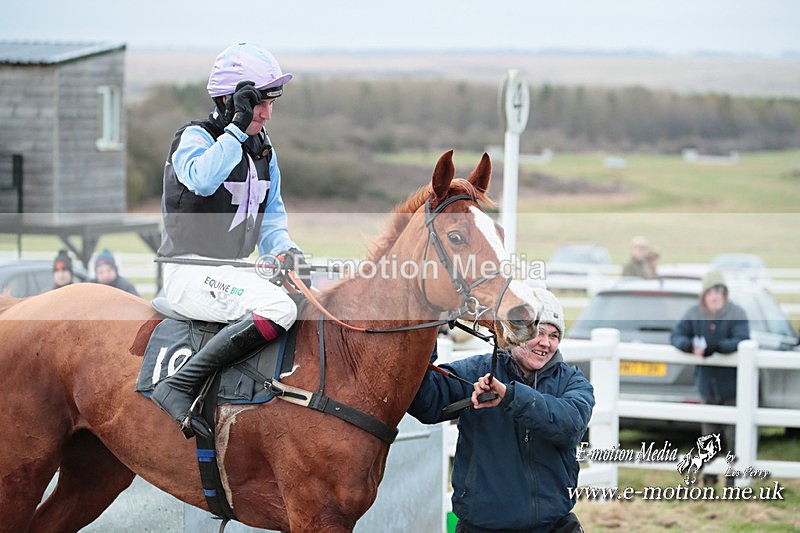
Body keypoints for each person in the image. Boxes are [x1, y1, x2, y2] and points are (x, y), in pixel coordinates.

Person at [152, 42, 307, 439]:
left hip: (233, 270)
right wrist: (235, 128)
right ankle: (179, 384)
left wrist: (285, 251)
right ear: (232, 100)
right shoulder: (194, 138)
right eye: (258, 103)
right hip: (189, 270)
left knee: (308, 301)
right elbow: (202, 179)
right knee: (278, 309)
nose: (267, 113)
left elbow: (272, 218)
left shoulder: (264, 151)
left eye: (271, 103)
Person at [409, 284, 594, 532]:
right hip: (482, 527)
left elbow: (568, 425)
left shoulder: (573, 382)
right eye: (539, 331)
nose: (546, 343)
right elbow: (427, 403)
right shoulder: (476, 371)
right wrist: (428, 331)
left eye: (554, 336)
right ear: (515, 331)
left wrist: (509, 395)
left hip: (553, 526)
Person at [670, 270, 749, 486]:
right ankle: (710, 477)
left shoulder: (737, 313)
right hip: (707, 385)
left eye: (719, 291)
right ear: (704, 295)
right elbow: (676, 336)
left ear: (725, 294)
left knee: (733, 435)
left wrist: (718, 347)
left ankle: (733, 479)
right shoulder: (694, 313)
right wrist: (688, 346)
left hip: (733, 386)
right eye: (710, 292)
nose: (715, 296)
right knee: (709, 435)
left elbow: (742, 339)